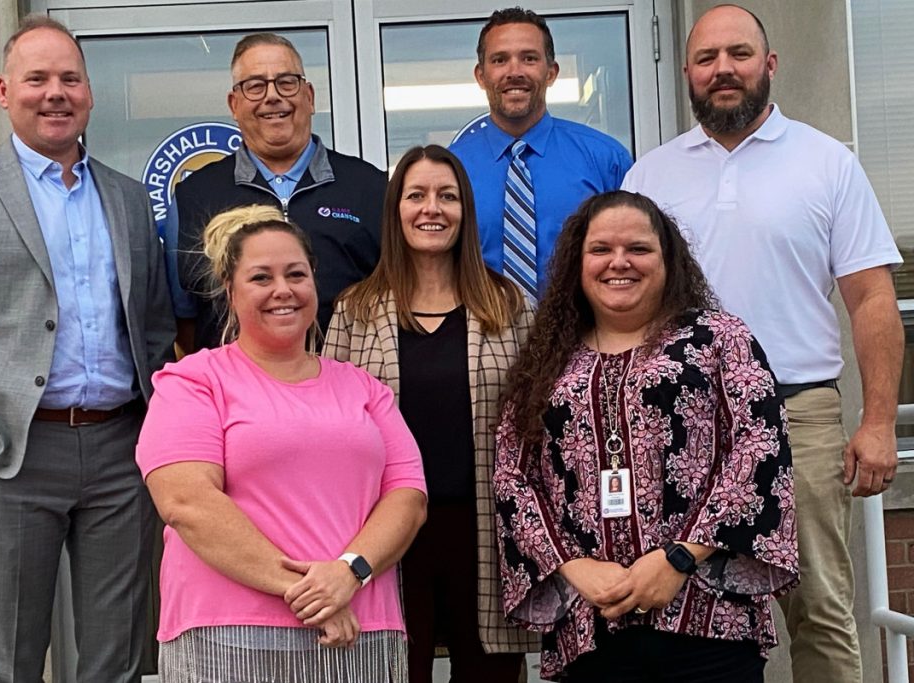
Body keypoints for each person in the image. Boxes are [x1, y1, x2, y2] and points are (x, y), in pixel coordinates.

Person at [620, 6, 904, 680]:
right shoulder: (648, 178)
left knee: (820, 609)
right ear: (687, 73)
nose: (723, 69)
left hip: (796, 416)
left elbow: (872, 300)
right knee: (685, 610)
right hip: (681, 428)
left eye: (739, 54)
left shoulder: (827, 163)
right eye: (707, 57)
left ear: (768, 65)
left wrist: (880, 420)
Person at [0, 15, 175, 682]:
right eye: (37, 78)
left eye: (70, 78)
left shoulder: (130, 199)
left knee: (118, 658)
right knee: (12, 659)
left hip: (119, 455)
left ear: (89, 94)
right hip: (9, 452)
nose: (55, 92)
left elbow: (156, 326)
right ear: (3, 90)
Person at [493, 191, 798, 681]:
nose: (619, 262)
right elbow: (512, 476)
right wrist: (575, 568)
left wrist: (679, 558)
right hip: (592, 627)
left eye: (638, 248)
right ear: (578, 262)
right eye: (601, 250)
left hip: (708, 622)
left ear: (667, 259)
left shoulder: (720, 339)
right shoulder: (546, 360)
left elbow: (760, 446)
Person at [136, 205, 427, 682]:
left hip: (358, 631)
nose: (282, 290)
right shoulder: (192, 382)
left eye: (296, 274)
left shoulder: (364, 388)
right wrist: (311, 594)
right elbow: (187, 502)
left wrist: (348, 573)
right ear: (229, 293)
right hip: (230, 638)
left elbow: (408, 498)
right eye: (260, 278)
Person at [324, 145, 537, 682]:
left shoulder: (509, 306)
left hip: (485, 533)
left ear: (465, 209)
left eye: (446, 196)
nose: (431, 209)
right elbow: (327, 430)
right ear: (395, 210)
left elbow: (539, 422)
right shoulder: (356, 310)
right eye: (416, 195)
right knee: (393, 672)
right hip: (386, 535)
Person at [175, 32, 387, 351]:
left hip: (345, 389)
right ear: (234, 104)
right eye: (255, 85)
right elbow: (184, 317)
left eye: (286, 82)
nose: (272, 96)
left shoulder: (370, 188)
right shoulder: (195, 195)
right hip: (235, 395)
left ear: (310, 97)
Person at [450, 7, 632, 299]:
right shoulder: (452, 168)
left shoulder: (605, 159)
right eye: (500, 60)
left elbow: (637, 255)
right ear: (481, 76)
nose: (514, 72)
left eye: (529, 58)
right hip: (482, 339)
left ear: (551, 72)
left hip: (583, 338)